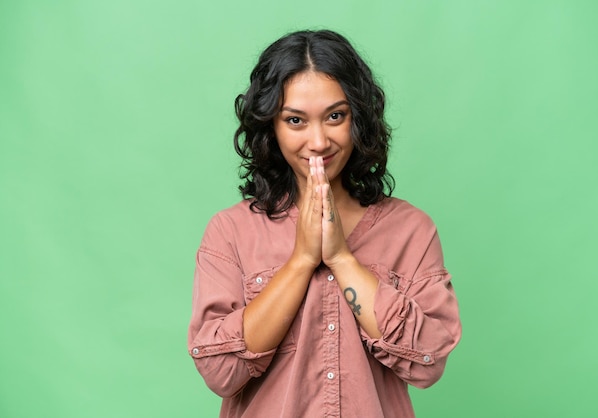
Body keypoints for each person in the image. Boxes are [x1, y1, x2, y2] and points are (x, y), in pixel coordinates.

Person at [188, 29, 462, 417]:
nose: (318, 141)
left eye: (336, 116)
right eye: (296, 120)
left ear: (359, 118)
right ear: (271, 127)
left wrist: (341, 259)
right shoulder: (230, 232)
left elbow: (428, 361)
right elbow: (219, 371)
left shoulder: (410, 230)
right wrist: (301, 260)